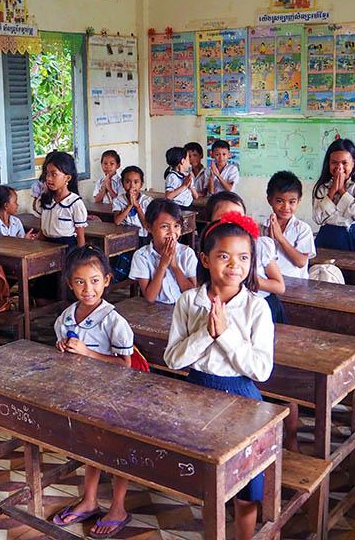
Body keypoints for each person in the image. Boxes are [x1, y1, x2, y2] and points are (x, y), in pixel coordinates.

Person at [164, 211, 274, 540]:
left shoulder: (257, 308)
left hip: (243, 401)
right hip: (197, 394)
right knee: (207, 480)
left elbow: (262, 370)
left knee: (246, 484)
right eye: (223, 256)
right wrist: (206, 334)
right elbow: (172, 359)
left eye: (243, 258)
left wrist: (225, 334)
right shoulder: (188, 302)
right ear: (206, 259)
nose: (234, 266)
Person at [51, 246, 135, 539]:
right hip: (83, 393)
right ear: (69, 283)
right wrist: (64, 348)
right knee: (91, 446)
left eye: (95, 280)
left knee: (116, 451)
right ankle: (89, 500)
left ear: (107, 280)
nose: (88, 289)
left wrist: (87, 353)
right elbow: (64, 348)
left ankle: (118, 507)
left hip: (114, 397)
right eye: (80, 282)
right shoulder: (66, 317)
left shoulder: (114, 321)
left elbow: (126, 364)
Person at [206, 192, 286, 324]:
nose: (231, 225)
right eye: (224, 218)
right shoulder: (209, 251)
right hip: (224, 307)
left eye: (238, 218)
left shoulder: (259, 245)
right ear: (210, 223)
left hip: (261, 306)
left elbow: (279, 287)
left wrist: (243, 278)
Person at [129, 199, 197, 304]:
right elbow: (150, 297)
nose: (172, 232)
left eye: (176, 226)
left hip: (183, 311)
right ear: (148, 227)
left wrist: (174, 266)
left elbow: (192, 293)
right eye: (164, 226)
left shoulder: (187, 254)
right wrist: (162, 265)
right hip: (155, 312)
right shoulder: (141, 256)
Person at [312, 138, 355, 251]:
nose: (339, 167)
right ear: (328, 163)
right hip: (326, 237)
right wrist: (332, 190)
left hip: (351, 237)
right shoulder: (322, 186)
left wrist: (342, 191)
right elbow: (318, 218)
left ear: (353, 163)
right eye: (334, 162)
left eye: (344, 163)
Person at [263, 170, 315, 278]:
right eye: (280, 201)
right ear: (269, 200)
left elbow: (301, 262)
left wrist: (280, 238)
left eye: (292, 202)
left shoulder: (303, 229)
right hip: (269, 283)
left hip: (296, 285)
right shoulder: (261, 228)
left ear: (298, 201)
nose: (286, 207)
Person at [39, 151, 87, 248]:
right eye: (47, 174)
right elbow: (43, 230)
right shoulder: (46, 199)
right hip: (46, 246)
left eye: (54, 174)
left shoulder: (75, 203)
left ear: (67, 178)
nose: (48, 179)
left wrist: (80, 257)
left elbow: (80, 237)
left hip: (66, 248)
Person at [111, 166, 152, 238]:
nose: (132, 186)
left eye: (136, 182)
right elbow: (117, 221)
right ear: (122, 184)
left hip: (141, 236)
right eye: (127, 182)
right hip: (123, 236)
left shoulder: (146, 201)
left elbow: (146, 226)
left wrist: (137, 207)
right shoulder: (118, 200)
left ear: (141, 184)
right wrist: (129, 205)